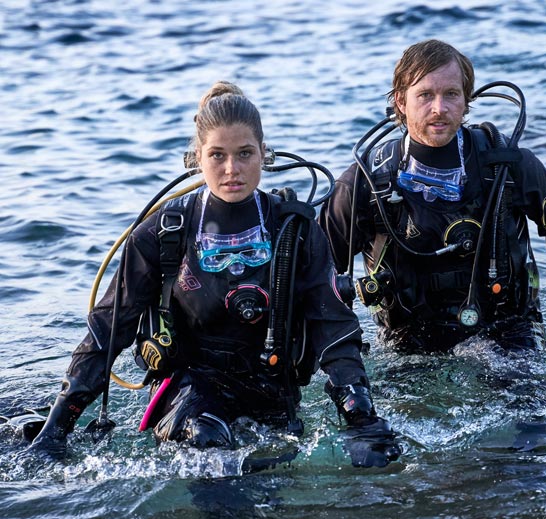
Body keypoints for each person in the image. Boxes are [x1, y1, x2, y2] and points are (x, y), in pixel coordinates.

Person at [29, 81, 401, 468]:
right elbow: (109, 329)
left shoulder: (295, 231)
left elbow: (333, 328)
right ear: (197, 158)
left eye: (244, 154)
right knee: (207, 439)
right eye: (217, 155)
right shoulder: (164, 233)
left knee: (270, 476)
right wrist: (56, 430)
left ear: (264, 154)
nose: (231, 169)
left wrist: (361, 417)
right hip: (187, 390)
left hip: (271, 390)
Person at [319, 39, 546, 356]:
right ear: (400, 102)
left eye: (451, 94)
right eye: (425, 95)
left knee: (532, 413)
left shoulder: (505, 163)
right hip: (407, 343)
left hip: (507, 331)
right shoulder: (366, 183)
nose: (439, 108)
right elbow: (318, 268)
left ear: (466, 101)